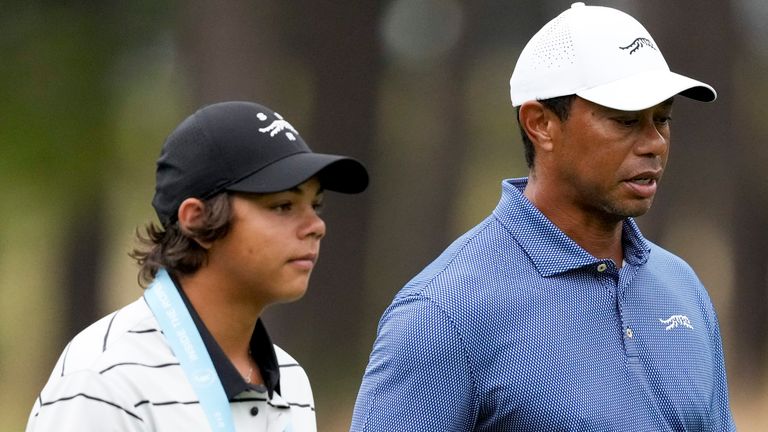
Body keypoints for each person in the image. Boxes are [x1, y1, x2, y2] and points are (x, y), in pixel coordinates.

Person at [351, 3, 736, 431]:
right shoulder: (443, 313)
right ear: (541, 125)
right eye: (626, 121)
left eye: (662, 119)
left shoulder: (682, 287)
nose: (654, 143)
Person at [26, 101, 368, 431]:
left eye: (316, 205)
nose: (316, 226)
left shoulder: (292, 381)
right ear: (197, 219)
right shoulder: (105, 378)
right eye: (282, 206)